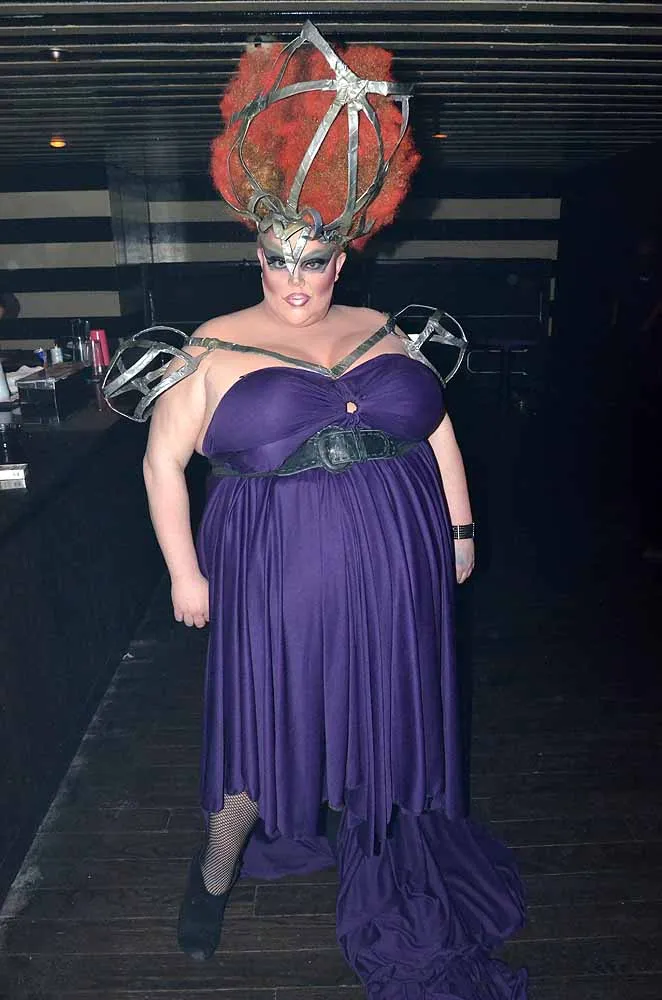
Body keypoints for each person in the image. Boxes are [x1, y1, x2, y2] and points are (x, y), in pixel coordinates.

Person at [106, 22, 528, 998]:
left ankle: (385, 865)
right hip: (275, 561)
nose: (294, 280)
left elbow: (434, 429)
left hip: (399, 557)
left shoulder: (382, 329)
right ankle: (214, 873)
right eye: (277, 259)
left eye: (313, 260)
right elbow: (162, 463)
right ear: (257, 254)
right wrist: (183, 572)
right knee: (269, 722)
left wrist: (460, 526)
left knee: (383, 717)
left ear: (343, 258)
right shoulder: (214, 344)